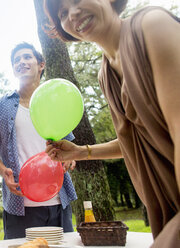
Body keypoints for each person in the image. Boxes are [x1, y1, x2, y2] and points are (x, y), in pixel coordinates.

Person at [43, 0, 180, 247]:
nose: (73, 13)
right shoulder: (105, 74)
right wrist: (81, 152)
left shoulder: (151, 25)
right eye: (62, 13)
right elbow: (135, 141)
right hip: (165, 206)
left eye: (77, 0)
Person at [0, 42, 78, 239]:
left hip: (59, 200)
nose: (21, 62)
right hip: (19, 204)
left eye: (27, 57)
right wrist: (4, 172)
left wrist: (70, 158)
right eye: (16, 60)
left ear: (41, 64)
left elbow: (70, 148)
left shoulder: (55, 102)